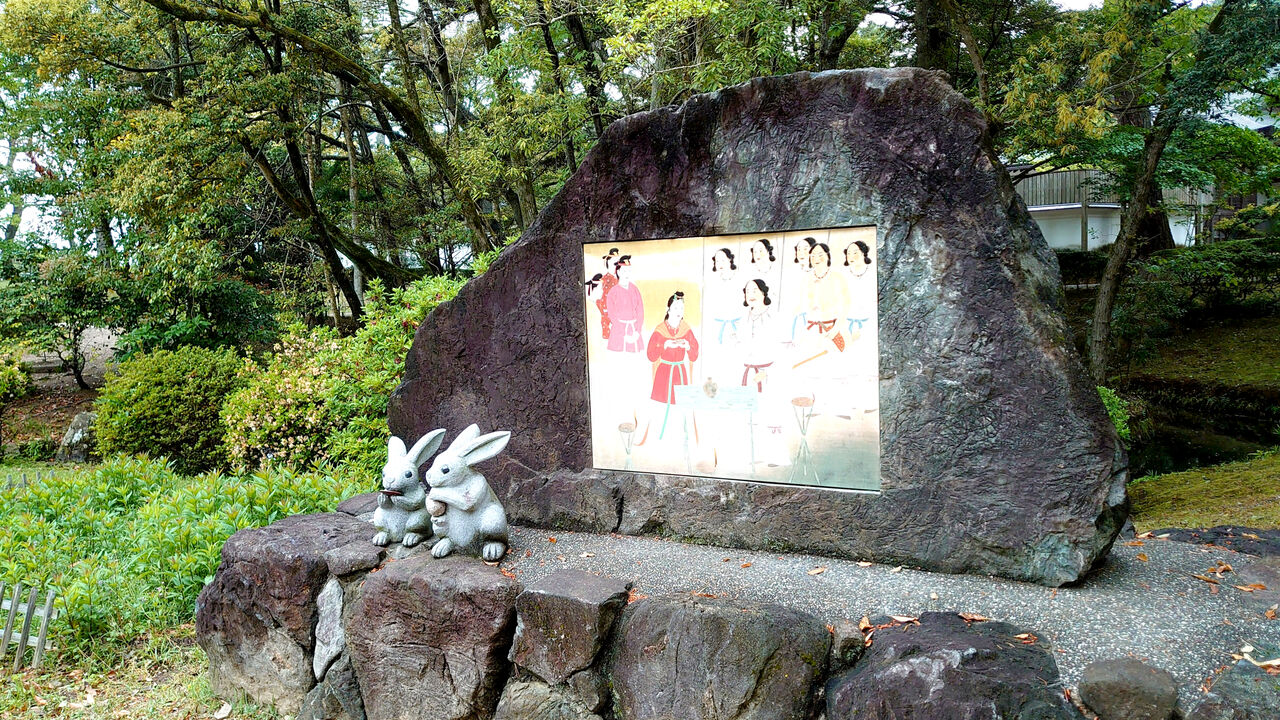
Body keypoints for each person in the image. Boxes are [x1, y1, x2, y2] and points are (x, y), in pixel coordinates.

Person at [636, 292, 700, 443]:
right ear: (668, 309)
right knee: (661, 405)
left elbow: (694, 354)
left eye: (681, 308)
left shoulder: (686, 329)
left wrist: (687, 346)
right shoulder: (660, 330)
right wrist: (664, 344)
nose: (679, 311)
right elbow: (651, 355)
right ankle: (659, 437)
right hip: (663, 373)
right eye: (676, 307)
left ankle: (679, 437)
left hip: (680, 373)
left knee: (679, 407)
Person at [804, 242, 852, 352]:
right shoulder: (806, 279)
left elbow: (846, 305)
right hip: (811, 330)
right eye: (813, 255)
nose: (816, 258)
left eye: (820, 254)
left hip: (833, 329)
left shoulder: (838, 278)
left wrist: (836, 329)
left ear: (827, 256)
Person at [605, 256, 644, 353]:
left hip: (634, 331)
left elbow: (640, 311)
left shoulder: (635, 289)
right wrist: (623, 334)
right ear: (618, 272)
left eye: (629, 271)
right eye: (624, 271)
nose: (627, 274)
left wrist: (637, 331)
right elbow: (612, 315)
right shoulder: (612, 292)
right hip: (618, 333)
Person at [596, 248, 620, 339]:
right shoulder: (606, 278)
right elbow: (600, 292)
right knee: (606, 322)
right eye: (614, 263)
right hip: (606, 303)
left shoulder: (618, 278)